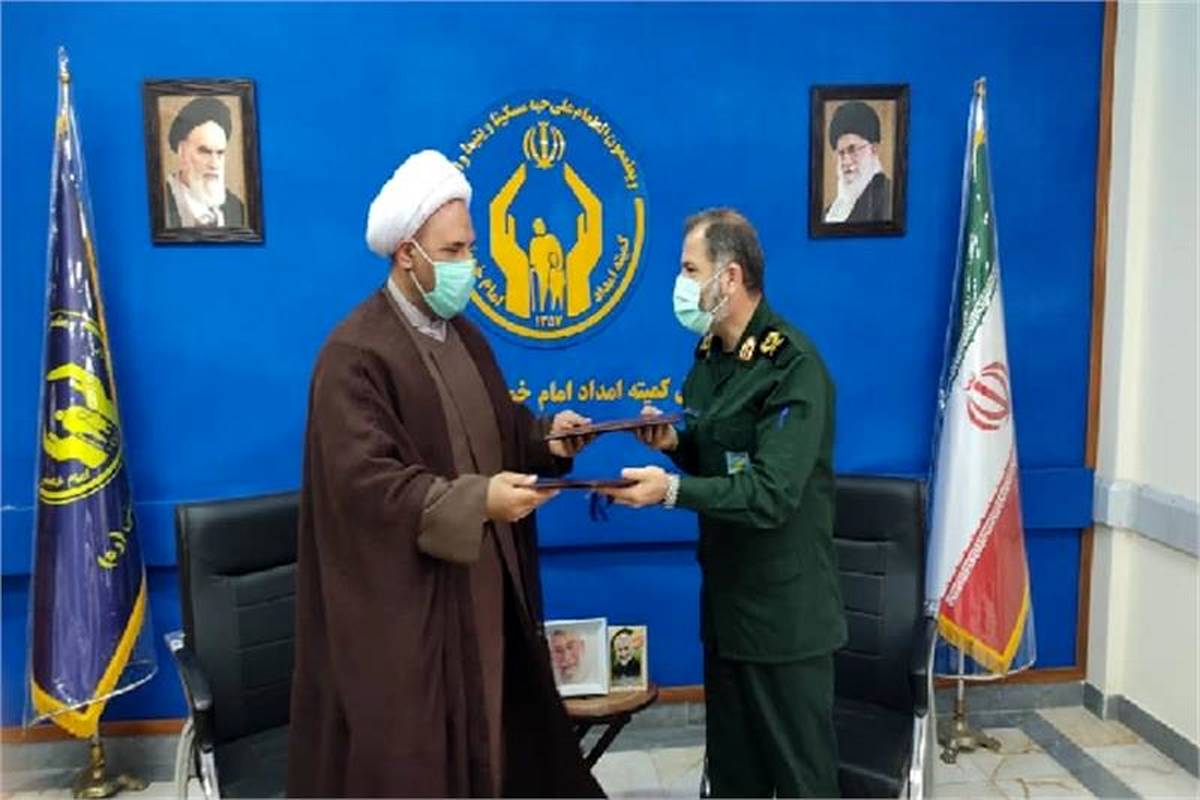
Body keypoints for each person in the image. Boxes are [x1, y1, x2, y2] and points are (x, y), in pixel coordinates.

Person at [287, 149, 603, 798]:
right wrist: (477, 502)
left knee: (501, 739)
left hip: (487, 586)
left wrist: (549, 439)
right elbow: (367, 486)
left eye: (471, 248)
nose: (468, 265)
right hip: (411, 612)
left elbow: (496, 431)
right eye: (454, 251)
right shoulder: (354, 354)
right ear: (408, 254)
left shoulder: (464, 335)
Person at [602, 209, 847, 797]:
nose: (681, 284)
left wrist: (670, 491)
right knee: (734, 780)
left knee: (802, 782)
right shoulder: (710, 357)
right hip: (728, 611)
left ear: (730, 276)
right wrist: (675, 444)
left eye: (690, 270)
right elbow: (720, 456)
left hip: (785, 620)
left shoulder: (792, 366)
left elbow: (770, 493)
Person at [164, 96, 245, 228]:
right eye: (205, 152)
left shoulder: (236, 207)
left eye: (220, 153)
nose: (214, 164)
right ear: (182, 152)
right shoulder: (162, 202)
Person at [823, 100, 892, 224]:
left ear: (874, 149)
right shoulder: (830, 213)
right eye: (841, 153)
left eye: (852, 150)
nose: (846, 161)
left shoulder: (890, 198)